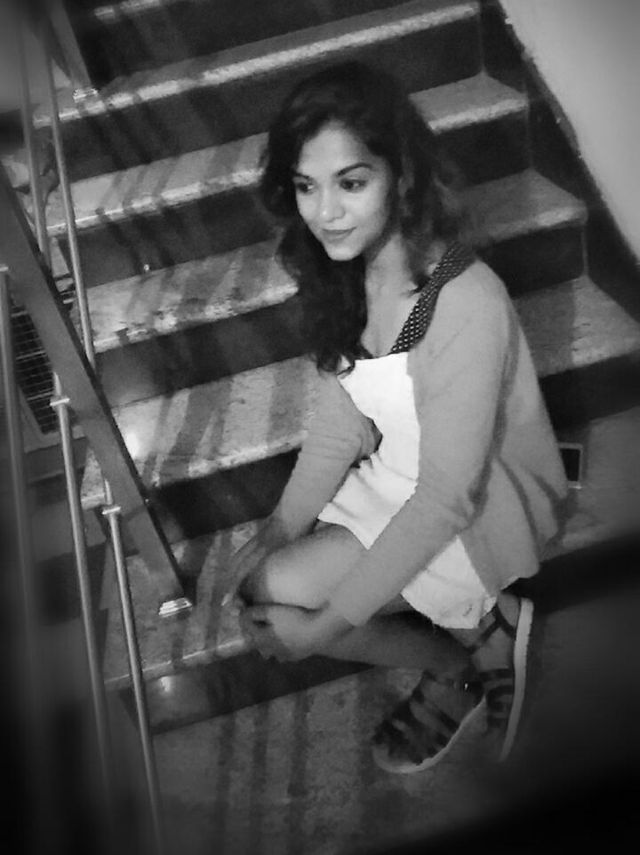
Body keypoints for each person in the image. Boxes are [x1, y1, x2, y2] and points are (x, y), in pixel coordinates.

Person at [225, 61, 568, 772]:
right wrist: (281, 525)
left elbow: (447, 498)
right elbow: (342, 422)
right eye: (306, 186)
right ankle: (462, 660)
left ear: (401, 176)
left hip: (476, 508)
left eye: (351, 183)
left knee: (297, 620)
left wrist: (324, 628)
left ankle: (488, 631)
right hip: (403, 480)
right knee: (260, 596)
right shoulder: (347, 272)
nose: (326, 212)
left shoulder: (464, 300)